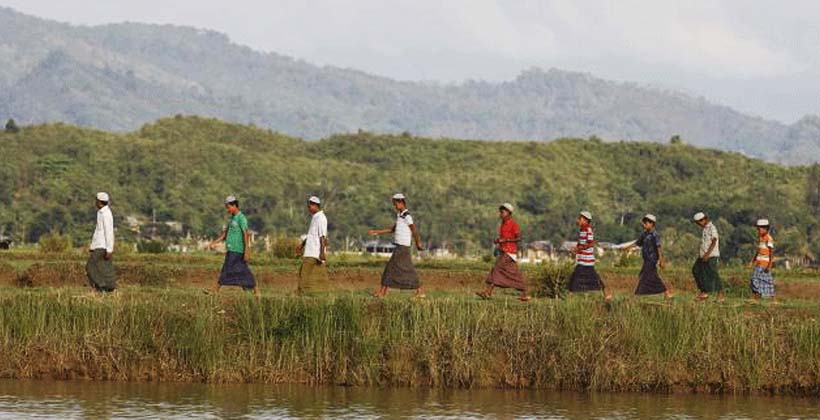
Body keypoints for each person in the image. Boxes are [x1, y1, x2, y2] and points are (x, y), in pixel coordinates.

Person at [368, 193, 425, 298]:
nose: (394, 206)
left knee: (397, 269)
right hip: (399, 247)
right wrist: (377, 232)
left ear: (401, 203)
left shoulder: (407, 216)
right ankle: (383, 292)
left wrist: (418, 243)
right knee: (398, 269)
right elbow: (392, 230)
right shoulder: (400, 215)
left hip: (403, 247)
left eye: (395, 204)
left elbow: (414, 231)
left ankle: (419, 292)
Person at [477, 203, 531, 301]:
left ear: (509, 213)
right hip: (505, 252)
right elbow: (504, 238)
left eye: (503, 212)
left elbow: (518, 238)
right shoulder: (503, 224)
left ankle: (488, 292)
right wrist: (499, 240)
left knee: (497, 269)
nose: (501, 214)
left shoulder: (513, 224)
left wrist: (505, 240)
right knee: (514, 274)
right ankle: (525, 294)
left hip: (509, 252)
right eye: (500, 212)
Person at [207, 195, 259, 297]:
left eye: (228, 207)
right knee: (241, 270)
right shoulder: (232, 219)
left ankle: (215, 290)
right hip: (231, 249)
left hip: (238, 250)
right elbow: (225, 234)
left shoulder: (241, 218)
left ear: (234, 205)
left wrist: (247, 250)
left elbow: (246, 234)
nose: (227, 210)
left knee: (227, 270)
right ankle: (255, 291)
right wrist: (214, 242)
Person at [625, 214, 672, 299]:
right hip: (646, 259)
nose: (644, 225)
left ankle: (638, 294)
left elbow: (658, 247)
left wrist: (661, 260)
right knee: (647, 275)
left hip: (652, 259)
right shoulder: (644, 234)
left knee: (647, 275)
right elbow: (638, 243)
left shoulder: (654, 235)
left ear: (652, 224)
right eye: (644, 223)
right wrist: (628, 247)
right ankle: (666, 293)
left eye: (646, 223)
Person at [568, 211, 612, 301]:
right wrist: (575, 249)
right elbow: (580, 243)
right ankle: (606, 295)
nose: (578, 221)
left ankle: (569, 296)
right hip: (582, 259)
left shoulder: (588, 230)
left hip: (587, 260)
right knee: (588, 277)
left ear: (585, 221)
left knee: (576, 276)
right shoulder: (582, 231)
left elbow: (591, 243)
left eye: (580, 219)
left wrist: (579, 249)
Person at [295, 196, 328, 294]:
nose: (308, 209)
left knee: (304, 273)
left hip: (314, 251)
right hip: (310, 250)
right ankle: (303, 292)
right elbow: (311, 235)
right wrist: (302, 245)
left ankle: (302, 294)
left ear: (315, 205)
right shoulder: (315, 217)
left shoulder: (321, 218)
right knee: (302, 272)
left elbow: (322, 236)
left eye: (309, 207)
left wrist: (322, 252)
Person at [86, 192, 116, 293]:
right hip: (99, 245)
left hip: (103, 245)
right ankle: (109, 286)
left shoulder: (106, 214)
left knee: (90, 266)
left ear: (99, 202)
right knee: (103, 267)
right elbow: (98, 231)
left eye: (96, 201)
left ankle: (101, 286)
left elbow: (109, 231)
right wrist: (92, 246)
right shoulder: (101, 213)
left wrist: (109, 249)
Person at [692, 212, 724, 302]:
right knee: (696, 270)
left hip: (711, 255)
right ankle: (704, 292)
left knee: (713, 274)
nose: (699, 224)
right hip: (703, 255)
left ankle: (720, 294)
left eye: (699, 222)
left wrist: (707, 254)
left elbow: (714, 241)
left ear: (704, 219)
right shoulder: (705, 229)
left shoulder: (711, 228)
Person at [749, 219, 775, 302]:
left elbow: (771, 253)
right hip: (759, 263)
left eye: (759, 229)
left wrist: (769, 265)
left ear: (765, 229)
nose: (758, 231)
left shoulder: (769, 238)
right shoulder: (761, 238)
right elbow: (758, 250)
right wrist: (752, 261)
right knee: (765, 280)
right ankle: (770, 299)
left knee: (755, 278)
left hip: (764, 264)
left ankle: (755, 297)